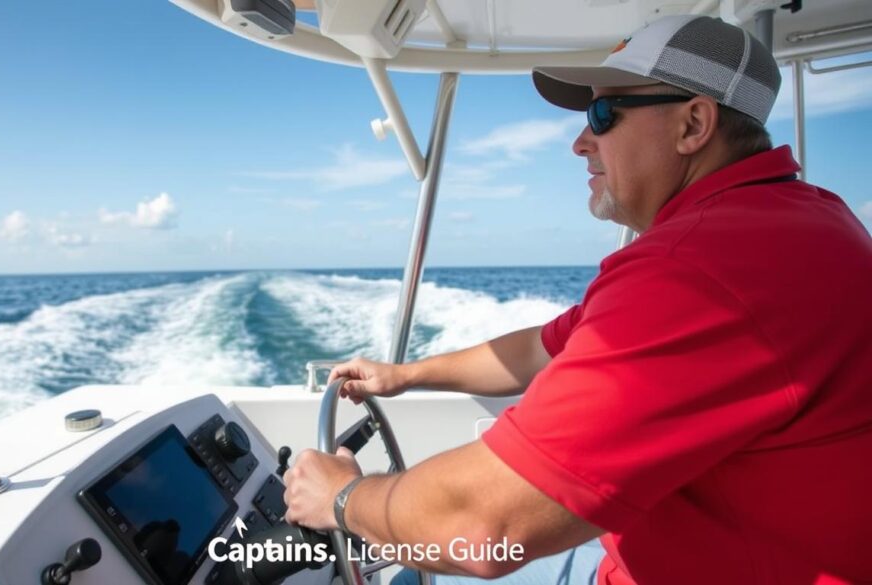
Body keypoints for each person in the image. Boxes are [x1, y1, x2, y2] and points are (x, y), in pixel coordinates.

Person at [283, 14, 872, 585]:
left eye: (603, 112)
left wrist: (342, 498)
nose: (580, 142)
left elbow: (483, 528)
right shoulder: (805, 217)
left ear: (694, 125)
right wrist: (405, 375)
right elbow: (544, 348)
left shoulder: (698, 269)